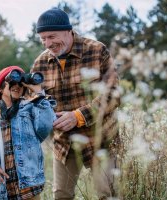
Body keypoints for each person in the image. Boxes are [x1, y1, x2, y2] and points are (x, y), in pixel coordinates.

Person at [31, 8, 119, 199]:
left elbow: (113, 95)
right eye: (43, 39)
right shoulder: (40, 64)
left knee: (106, 194)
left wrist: (78, 116)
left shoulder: (97, 51)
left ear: (68, 30)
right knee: (61, 196)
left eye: (51, 37)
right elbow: (35, 103)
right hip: (64, 144)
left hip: (100, 140)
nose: (47, 44)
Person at [0, 66, 56, 200]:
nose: (17, 85)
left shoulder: (32, 109)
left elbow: (46, 126)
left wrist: (39, 93)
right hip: (0, 192)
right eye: (12, 81)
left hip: (29, 190)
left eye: (20, 82)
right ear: (0, 88)